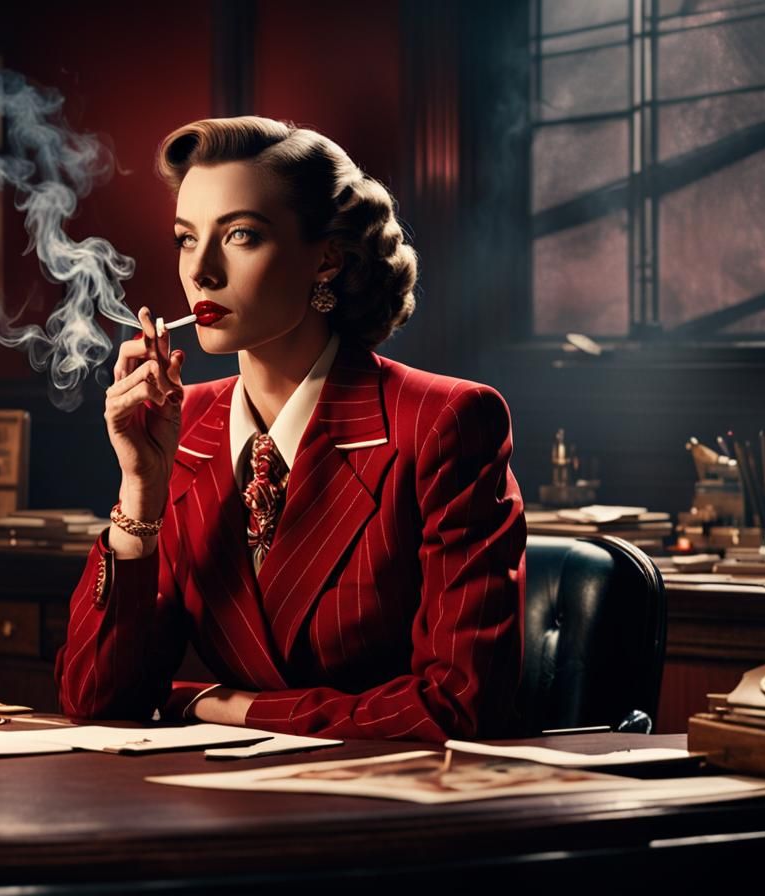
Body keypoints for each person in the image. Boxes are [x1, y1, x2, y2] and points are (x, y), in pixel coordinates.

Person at [56, 116, 525, 742]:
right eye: (186, 239)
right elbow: (95, 699)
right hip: (216, 809)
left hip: (394, 811)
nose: (203, 272)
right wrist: (140, 492)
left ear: (327, 256)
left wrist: (229, 708)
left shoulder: (443, 422)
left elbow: (460, 707)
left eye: (241, 235)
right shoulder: (182, 423)